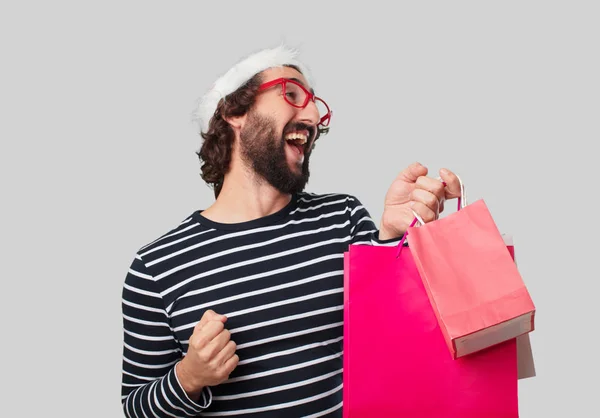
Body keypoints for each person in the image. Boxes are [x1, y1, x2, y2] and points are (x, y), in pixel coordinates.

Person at [120, 44, 462, 417]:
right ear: (234, 110)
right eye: (292, 94)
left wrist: (394, 237)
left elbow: (399, 337)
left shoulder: (342, 218)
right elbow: (135, 408)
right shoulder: (156, 267)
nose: (314, 115)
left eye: (316, 104)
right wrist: (187, 378)